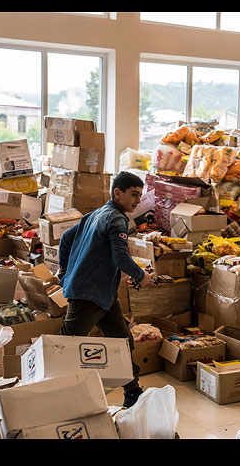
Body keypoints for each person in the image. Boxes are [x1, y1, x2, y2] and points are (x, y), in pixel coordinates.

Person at [57, 170, 152, 409]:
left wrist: (64, 272)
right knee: (65, 344)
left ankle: (133, 392)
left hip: (104, 295)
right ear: (117, 193)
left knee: (122, 341)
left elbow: (65, 240)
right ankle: (53, 392)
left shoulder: (95, 214)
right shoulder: (116, 219)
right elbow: (120, 257)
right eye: (133, 194)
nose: (138, 201)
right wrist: (142, 275)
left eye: (140, 195)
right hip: (88, 294)